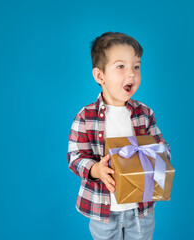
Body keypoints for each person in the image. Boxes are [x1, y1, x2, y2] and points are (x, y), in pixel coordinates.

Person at [67, 32, 171, 240]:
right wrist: (96, 169)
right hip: (105, 211)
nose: (131, 74)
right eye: (121, 66)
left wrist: (159, 157)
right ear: (100, 76)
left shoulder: (144, 113)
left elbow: (161, 146)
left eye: (136, 67)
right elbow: (75, 157)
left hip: (140, 209)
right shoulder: (86, 116)